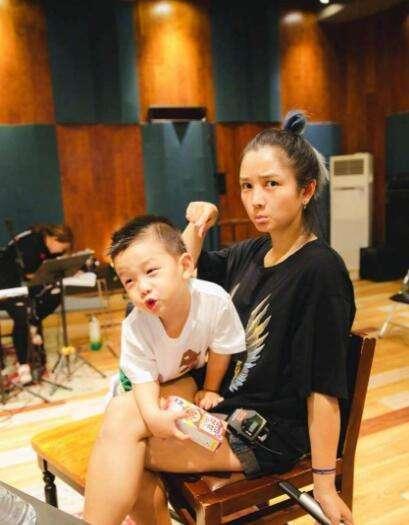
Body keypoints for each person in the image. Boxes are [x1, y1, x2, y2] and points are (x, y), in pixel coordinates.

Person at [84, 111, 355, 525]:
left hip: (263, 432)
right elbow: (181, 271)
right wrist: (197, 223)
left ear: (306, 190)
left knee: (124, 447)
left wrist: (323, 483)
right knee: (122, 416)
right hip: (221, 404)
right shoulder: (253, 251)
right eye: (247, 186)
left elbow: (323, 385)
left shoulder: (320, 270)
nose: (256, 199)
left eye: (271, 184)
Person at [110, 214, 245, 428]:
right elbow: (144, 381)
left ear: (185, 266)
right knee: (132, 421)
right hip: (141, 382)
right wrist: (154, 417)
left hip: (181, 374)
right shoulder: (136, 326)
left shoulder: (214, 300)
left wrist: (210, 388)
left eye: (151, 271)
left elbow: (221, 348)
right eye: (129, 281)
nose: (142, 287)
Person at [0, 223, 73, 383]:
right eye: (61, 248)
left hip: (28, 286)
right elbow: (28, 274)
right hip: (7, 286)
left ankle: (37, 355)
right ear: (53, 239)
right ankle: (23, 365)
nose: (61, 251)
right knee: (23, 314)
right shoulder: (29, 244)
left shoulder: (47, 246)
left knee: (55, 294)